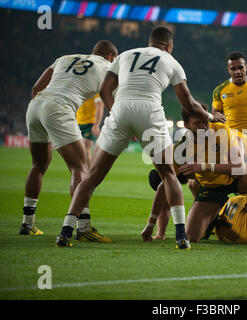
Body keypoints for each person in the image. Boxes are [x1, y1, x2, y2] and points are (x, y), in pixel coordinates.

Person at [55, 26, 224, 249]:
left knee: (92, 176)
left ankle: (66, 232)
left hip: (121, 109)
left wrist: (116, 114)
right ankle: (181, 236)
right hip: (150, 111)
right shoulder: (171, 61)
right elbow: (190, 104)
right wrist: (212, 116)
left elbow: (105, 90)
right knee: (168, 175)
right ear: (169, 46)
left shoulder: (124, 55)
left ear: (149, 41)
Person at [141, 104, 247, 245]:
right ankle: (215, 218)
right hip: (213, 187)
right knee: (191, 236)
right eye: (198, 123)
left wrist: (202, 167)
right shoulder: (182, 149)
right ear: (186, 125)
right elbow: (165, 185)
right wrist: (150, 224)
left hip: (240, 172)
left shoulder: (220, 129)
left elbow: (239, 166)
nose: (204, 127)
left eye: (205, 121)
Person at [20, 40, 117, 242]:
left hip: (36, 105)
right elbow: (110, 96)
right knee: (79, 167)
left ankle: (27, 223)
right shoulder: (108, 67)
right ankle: (83, 227)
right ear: (111, 56)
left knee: (38, 165)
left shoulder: (64, 58)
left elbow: (37, 87)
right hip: (59, 107)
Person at [76, 94, 104, 167]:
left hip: (90, 123)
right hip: (77, 123)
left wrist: (96, 125)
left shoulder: (95, 91)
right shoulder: (79, 88)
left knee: (85, 148)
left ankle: (89, 173)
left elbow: (100, 107)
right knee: (78, 151)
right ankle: (84, 172)